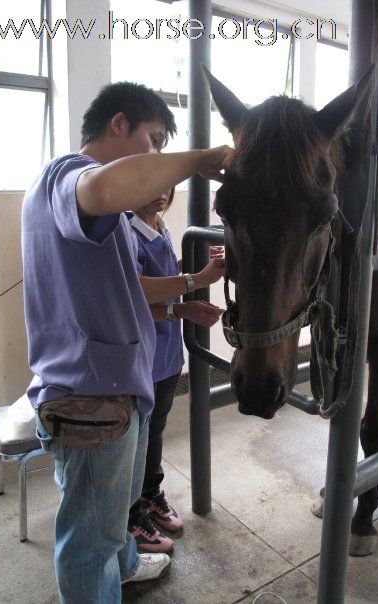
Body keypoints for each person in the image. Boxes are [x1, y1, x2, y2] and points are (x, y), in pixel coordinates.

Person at [21, 81, 230, 604]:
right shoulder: (65, 177)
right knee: (90, 538)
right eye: (154, 140)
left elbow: (123, 293)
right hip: (91, 396)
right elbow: (106, 189)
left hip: (115, 387)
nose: (158, 155)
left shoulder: (105, 217)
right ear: (118, 124)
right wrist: (199, 157)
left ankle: (126, 565)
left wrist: (181, 299)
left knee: (112, 516)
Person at [127, 189, 224, 553]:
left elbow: (166, 275)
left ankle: (150, 494)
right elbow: (133, 298)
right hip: (141, 358)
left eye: (167, 186)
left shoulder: (159, 226)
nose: (162, 194)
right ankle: (132, 514)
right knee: (137, 441)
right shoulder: (126, 231)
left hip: (166, 355)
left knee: (154, 432)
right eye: (152, 185)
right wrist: (192, 290)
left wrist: (206, 268)